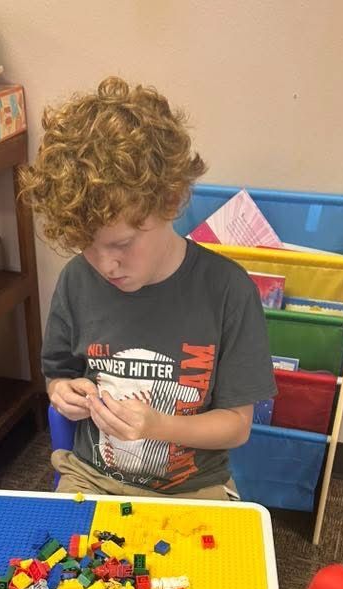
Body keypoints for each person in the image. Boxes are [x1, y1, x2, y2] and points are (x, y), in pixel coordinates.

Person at [19, 76, 275, 499]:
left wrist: (160, 426)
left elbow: (236, 425)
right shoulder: (77, 281)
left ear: (171, 200)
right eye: (88, 247)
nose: (106, 265)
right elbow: (58, 374)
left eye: (121, 244)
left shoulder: (228, 291)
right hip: (92, 477)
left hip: (193, 488)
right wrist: (62, 392)